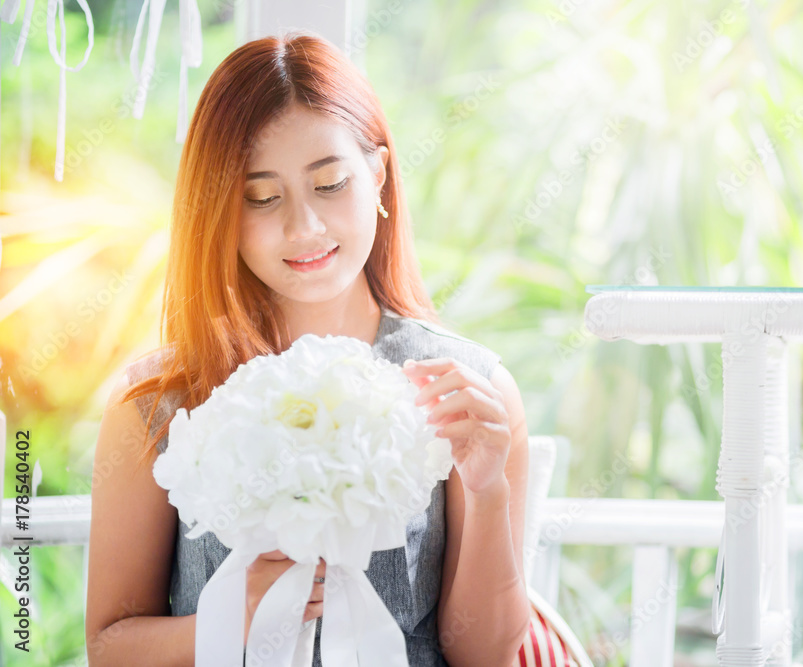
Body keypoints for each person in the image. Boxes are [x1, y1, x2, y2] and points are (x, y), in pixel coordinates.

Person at [85, 30, 530, 667]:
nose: (305, 227)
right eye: (261, 197)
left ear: (377, 177)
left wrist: (487, 494)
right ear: (218, 210)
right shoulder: (155, 405)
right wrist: (228, 615)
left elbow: (482, 655)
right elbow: (108, 648)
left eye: (329, 184)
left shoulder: (464, 390)